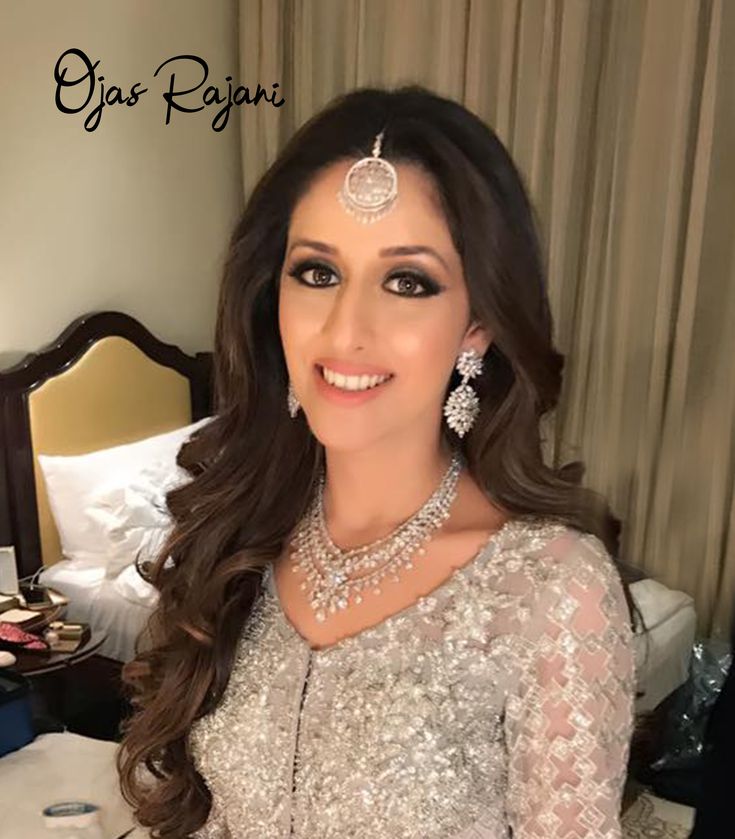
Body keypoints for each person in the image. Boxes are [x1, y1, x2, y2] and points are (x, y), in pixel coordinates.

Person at [117, 85, 637, 839]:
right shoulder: (239, 538)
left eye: (407, 282)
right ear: (272, 298)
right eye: (317, 273)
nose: (345, 330)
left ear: (478, 324)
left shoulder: (549, 588)